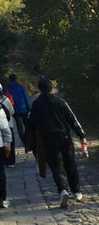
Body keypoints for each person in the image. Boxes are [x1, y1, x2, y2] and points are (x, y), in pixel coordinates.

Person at [27, 77, 86, 208]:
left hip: (48, 139)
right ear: (52, 88)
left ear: (40, 89)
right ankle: (76, 191)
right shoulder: (60, 101)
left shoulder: (36, 104)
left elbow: (31, 122)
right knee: (70, 163)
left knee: (56, 165)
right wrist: (81, 134)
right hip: (64, 136)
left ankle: (63, 190)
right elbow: (72, 119)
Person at [6, 74, 30, 143]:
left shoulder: (7, 88)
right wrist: (28, 107)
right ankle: (27, 137)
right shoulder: (21, 87)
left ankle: (23, 140)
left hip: (14, 109)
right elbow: (26, 98)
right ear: (16, 79)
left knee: (19, 125)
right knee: (26, 124)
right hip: (23, 108)